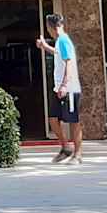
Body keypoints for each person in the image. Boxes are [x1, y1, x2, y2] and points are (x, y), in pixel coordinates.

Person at [37, 12, 84, 163]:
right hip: (58, 88)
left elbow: (69, 62)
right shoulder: (60, 41)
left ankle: (77, 154)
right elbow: (58, 54)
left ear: (50, 27)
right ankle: (66, 147)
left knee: (73, 121)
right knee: (53, 119)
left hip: (69, 89)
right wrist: (45, 46)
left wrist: (64, 85)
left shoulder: (63, 40)